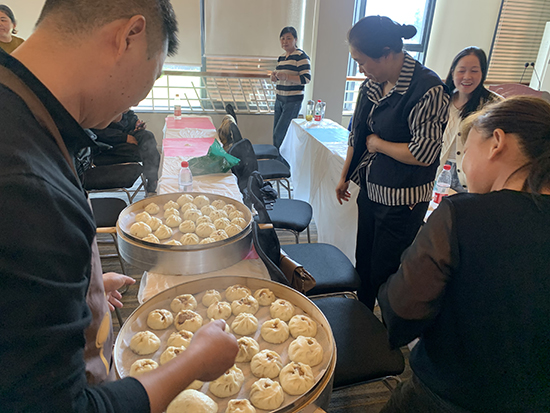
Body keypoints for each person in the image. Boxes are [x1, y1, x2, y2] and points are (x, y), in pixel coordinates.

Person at [0, 1, 237, 412]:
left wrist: (80, 291)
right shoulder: (26, 183)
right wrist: (193, 363)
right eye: (153, 75)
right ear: (127, 36)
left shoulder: (21, 114)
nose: (133, 106)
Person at [379, 96, 550, 412]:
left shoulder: (462, 215)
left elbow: (402, 309)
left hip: (446, 396)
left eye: (466, 151)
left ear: (496, 142)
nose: (463, 165)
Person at [335, 16, 450, 310]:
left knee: (386, 271)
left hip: (402, 201)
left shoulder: (428, 89)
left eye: (362, 62)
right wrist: (345, 175)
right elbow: (357, 134)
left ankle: (386, 328)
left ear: (386, 53)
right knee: (364, 262)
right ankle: (361, 316)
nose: (360, 69)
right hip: (372, 190)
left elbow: (424, 152)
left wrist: (379, 145)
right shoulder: (373, 85)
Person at [438, 46, 503, 192]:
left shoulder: (494, 104)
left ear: (482, 73)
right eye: (461, 71)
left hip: (472, 176)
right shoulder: (441, 99)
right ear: (452, 72)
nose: (467, 77)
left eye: (474, 71)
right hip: (439, 174)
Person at [91, 110, 161, 194]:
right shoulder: (97, 109)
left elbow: (128, 115)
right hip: (106, 146)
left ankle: (153, 179)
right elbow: (96, 132)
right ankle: (152, 181)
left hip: (123, 137)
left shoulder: (120, 106)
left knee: (147, 136)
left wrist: (136, 123)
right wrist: (124, 137)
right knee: (144, 150)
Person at [271, 26, 311, 151]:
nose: (285, 41)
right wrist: (274, 77)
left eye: (288, 38)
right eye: (282, 38)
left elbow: (306, 79)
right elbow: (280, 77)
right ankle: (278, 160)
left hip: (292, 101)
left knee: (280, 135)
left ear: (296, 39)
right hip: (279, 99)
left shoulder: (301, 56)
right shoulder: (281, 58)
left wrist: (287, 77)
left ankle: (281, 162)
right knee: (276, 134)